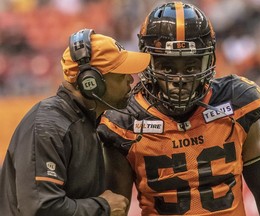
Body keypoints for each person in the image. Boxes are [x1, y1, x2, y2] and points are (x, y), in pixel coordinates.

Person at [98, 2, 260, 216]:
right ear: (147, 62)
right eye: (168, 66)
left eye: (190, 66)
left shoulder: (235, 104)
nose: (179, 79)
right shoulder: (124, 121)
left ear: (209, 61)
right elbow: (116, 206)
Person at [0, 28, 151, 216]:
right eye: (121, 75)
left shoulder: (85, 122)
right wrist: (103, 207)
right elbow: (39, 208)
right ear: (92, 82)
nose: (130, 79)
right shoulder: (48, 126)